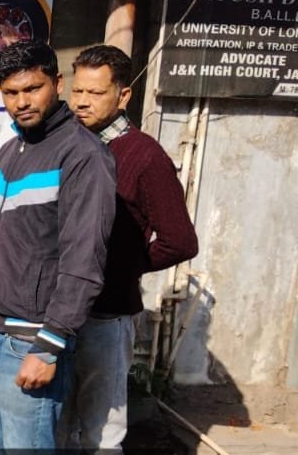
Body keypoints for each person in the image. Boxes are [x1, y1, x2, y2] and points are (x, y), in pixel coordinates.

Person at [0, 40, 116, 450]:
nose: (21, 103)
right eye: (10, 93)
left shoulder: (83, 155)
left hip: (30, 340)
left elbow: (84, 260)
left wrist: (50, 345)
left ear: (58, 83)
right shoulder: (10, 147)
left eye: (32, 88)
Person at [60, 44, 199, 448]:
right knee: (55, 429)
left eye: (95, 93)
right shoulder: (66, 146)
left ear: (123, 96)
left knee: (102, 434)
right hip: (58, 313)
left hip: (106, 316)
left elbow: (179, 241)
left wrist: (121, 266)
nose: (82, 101)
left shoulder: (145, 156)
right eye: (77, 91)